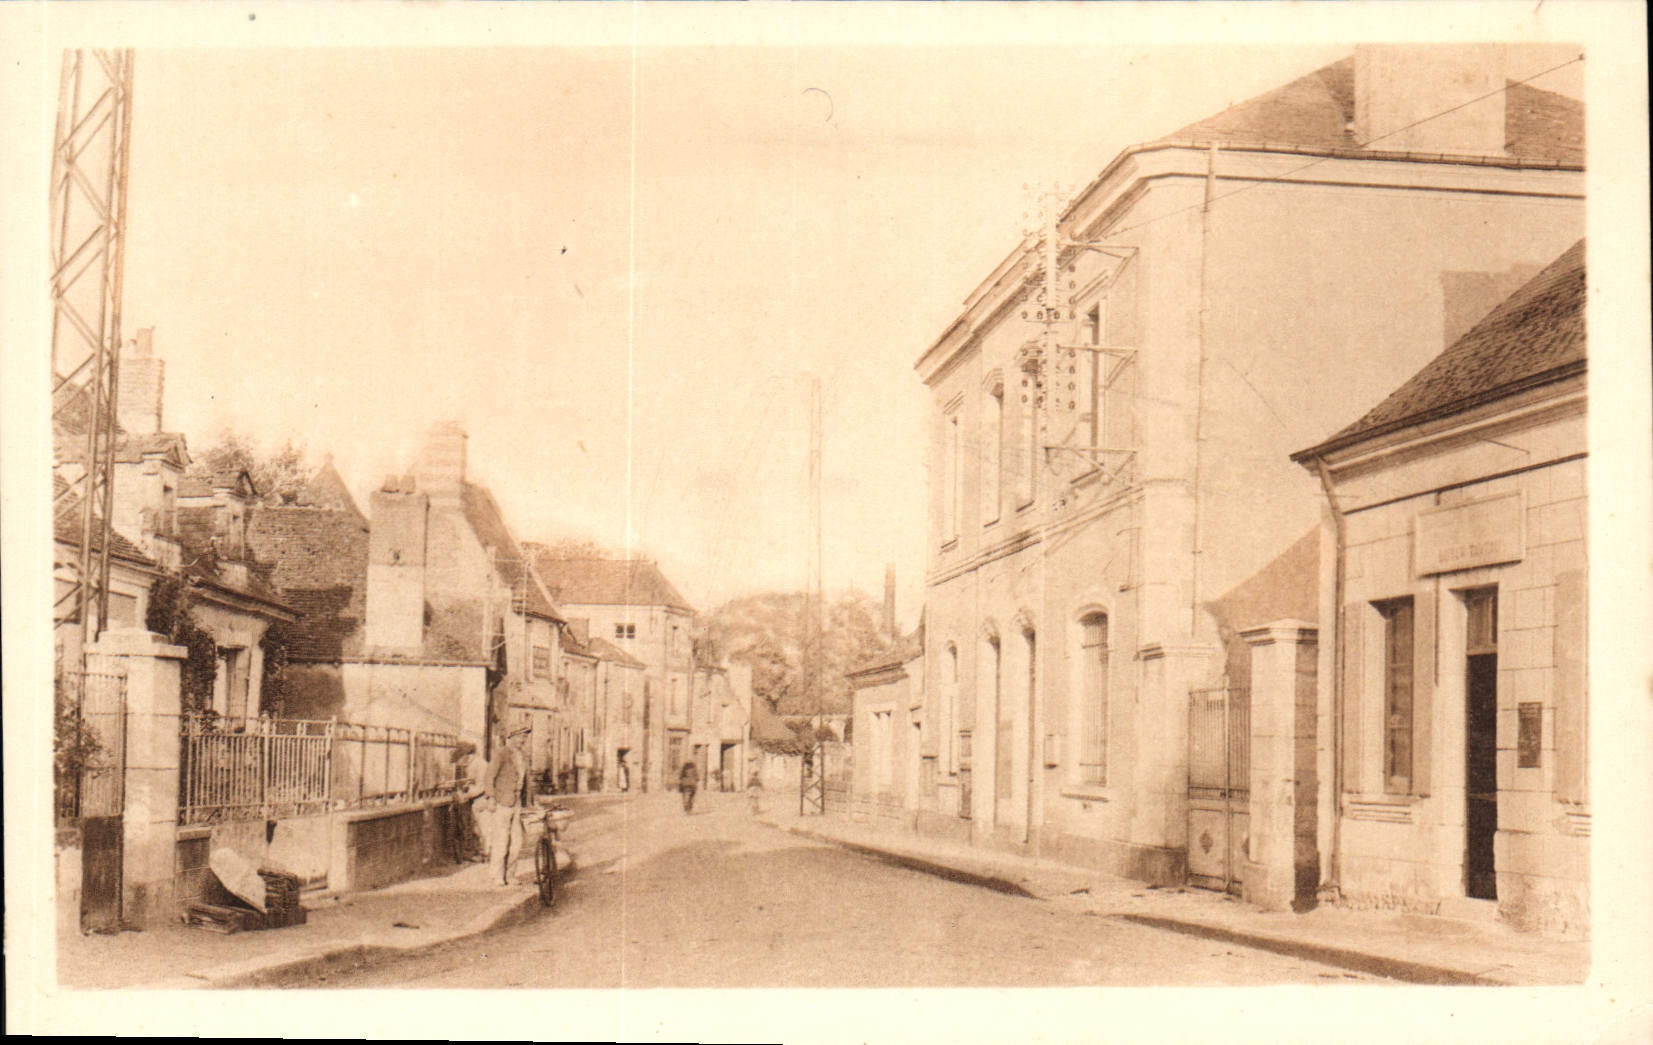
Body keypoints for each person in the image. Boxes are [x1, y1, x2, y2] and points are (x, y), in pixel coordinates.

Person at [481, 727, 529, 886]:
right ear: (511, 737)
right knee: (501, 840)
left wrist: (531, 802)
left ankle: (510, 874)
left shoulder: (523, 756)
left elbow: (526, 781)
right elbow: (489, 777)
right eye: (520, 737)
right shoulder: (501, 754)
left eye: (524, 738)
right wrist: (491, 797)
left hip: (517, 804)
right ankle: (497, 875)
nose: (522, 741)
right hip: (502, 802)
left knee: (516, 842)